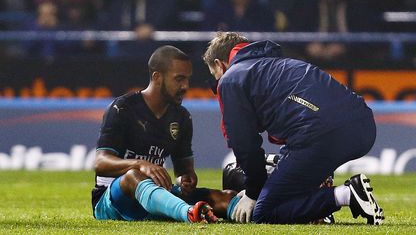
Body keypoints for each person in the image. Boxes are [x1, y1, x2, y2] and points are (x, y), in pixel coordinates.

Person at [202, 32, 385, 224]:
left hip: (321, 135)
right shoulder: (280, 65)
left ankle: (346, 194)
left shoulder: (231, 79)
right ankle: (317, 200)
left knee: (263, 212)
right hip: (363, 126)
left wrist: (253, 192)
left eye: (215, 76)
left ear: (219, 64)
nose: (217, 83)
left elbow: (244, 144)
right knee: (293, 161)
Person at [91, 45, 236, 223]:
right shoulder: (122, 109)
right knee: (133, 176)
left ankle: (261, 212)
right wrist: (140, 164)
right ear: (157, 77)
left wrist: (186, 180)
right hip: (112, 201)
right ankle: (189, 214)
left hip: (157, 195)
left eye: (187, 79)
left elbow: (184, 170)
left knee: (225, 198)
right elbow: (100, 162)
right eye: (179, 79)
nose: (185, 86)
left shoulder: (182, 117)